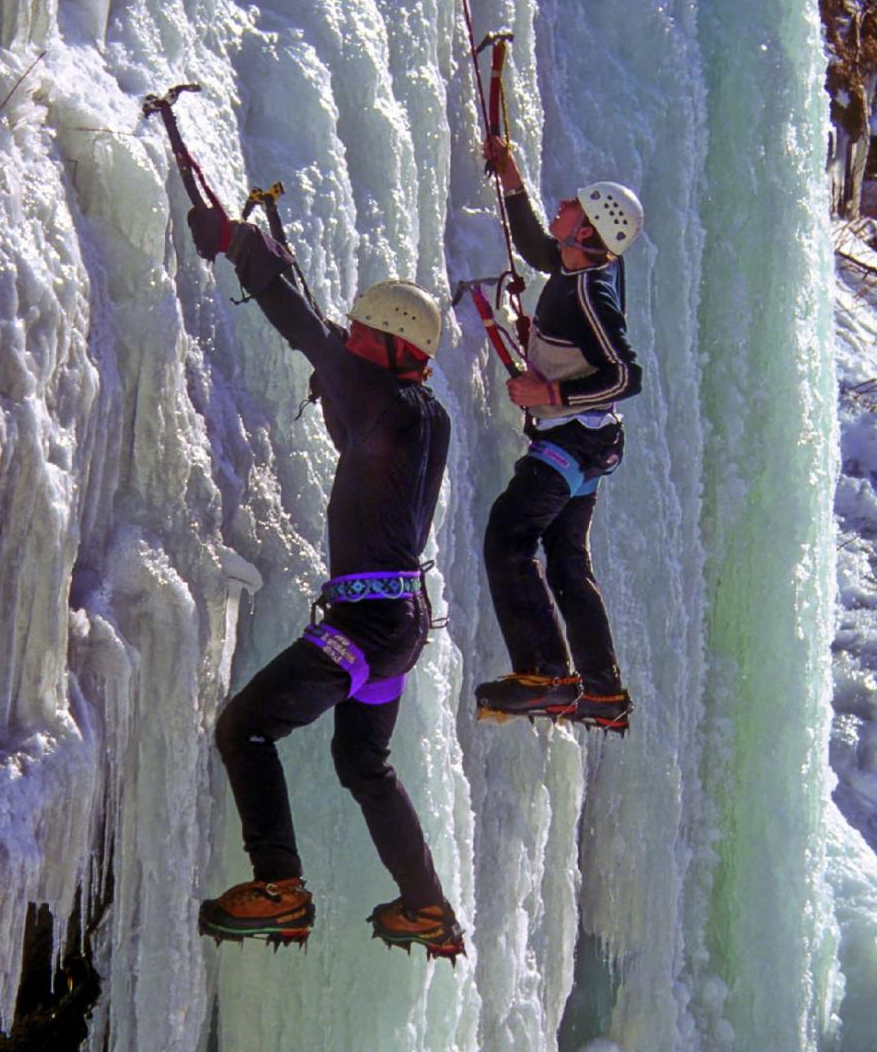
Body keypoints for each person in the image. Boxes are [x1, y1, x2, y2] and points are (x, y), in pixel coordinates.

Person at [188, 203, 464, 961]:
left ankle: (280, 886)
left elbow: (299, 320)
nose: (348, 337)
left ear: (386, 344)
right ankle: (427, 907)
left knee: (243, 727)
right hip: (400, 627)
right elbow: (369, 441)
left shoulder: (378, 395)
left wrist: (235, 242)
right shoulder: (423, 413)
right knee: (363, 764)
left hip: (361, 628)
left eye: (360, 333)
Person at [474, 136, 644, 735]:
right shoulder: (583, 265)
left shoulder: (590, 292)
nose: (562, 205)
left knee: (508, 536)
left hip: (573, 440)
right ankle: (602, 692)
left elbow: (626, 374)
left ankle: (546, 675)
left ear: (589, 234)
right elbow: (541, 250)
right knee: (568, 563)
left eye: (572, 206)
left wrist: (552, 395)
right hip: (589, 445)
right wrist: (512, 180)